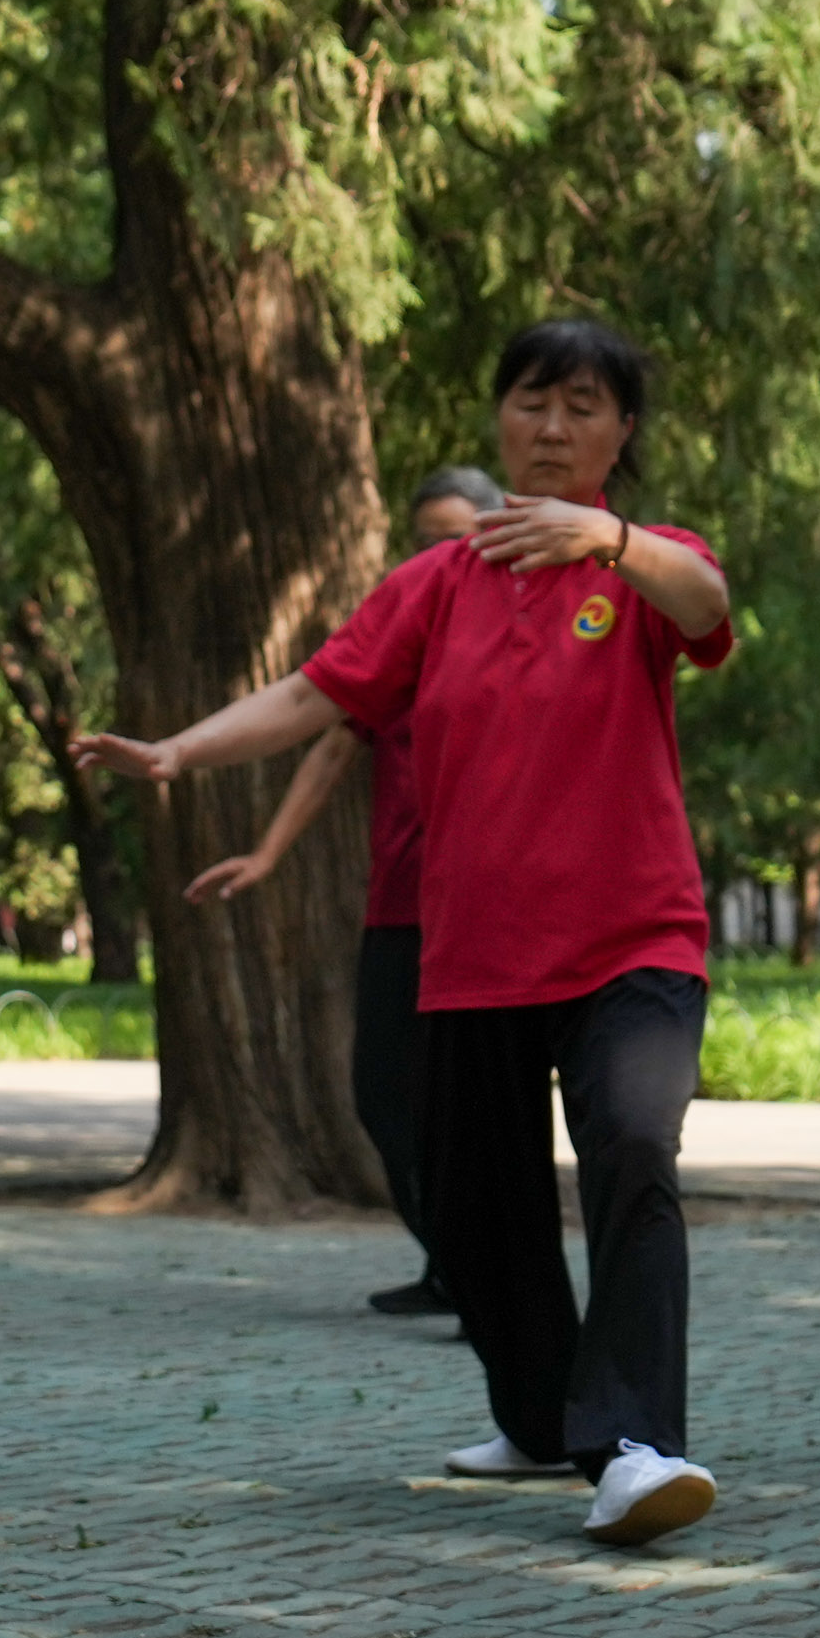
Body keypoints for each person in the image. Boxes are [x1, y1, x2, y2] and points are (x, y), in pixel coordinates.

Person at [75, 322, 737, 1548]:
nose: (553, 427)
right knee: (475, 1210)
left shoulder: (646, 569)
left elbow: (708, 601)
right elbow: (314, 695)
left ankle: (638, 1445)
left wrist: (616, 540)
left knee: (635, 1150)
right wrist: (178, 749)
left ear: (622, 434)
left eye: (584, 407)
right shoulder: (435, 584)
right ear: (500, 418)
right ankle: (544, 1419)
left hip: (634, 939)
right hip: (478, 953)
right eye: (532, 402)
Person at [183, 464, 508, 1317]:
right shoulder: (407, 637)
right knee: (381, 1093)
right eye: (424, 540)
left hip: (481, 910)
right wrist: (265, 854)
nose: (438, 554)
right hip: (398, 905)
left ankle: (485, 1277)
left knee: (471, 1106)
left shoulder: (510, 639)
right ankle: (452, 1261)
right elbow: (329, 746)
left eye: (454, 536)